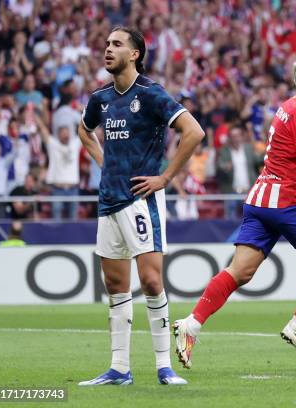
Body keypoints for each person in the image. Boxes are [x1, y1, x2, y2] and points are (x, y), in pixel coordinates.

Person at [173, 54, 296, 369]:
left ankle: (191, 324)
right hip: (286, 202)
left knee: (240, 272)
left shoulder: (289, 108)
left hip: (259, 200)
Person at [77, 26, 205, 386]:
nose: (107, 49)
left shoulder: (150, 94)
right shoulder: (100, 98)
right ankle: (119, 369)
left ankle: (165, 366)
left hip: (139, 199)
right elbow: (84, 130)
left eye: (116, 45)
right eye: (106, 44)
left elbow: (193, 131)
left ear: (134, 54)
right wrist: (104, 163)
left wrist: (164, 178)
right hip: (108, 202)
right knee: (116, 287)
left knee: (150, 281)